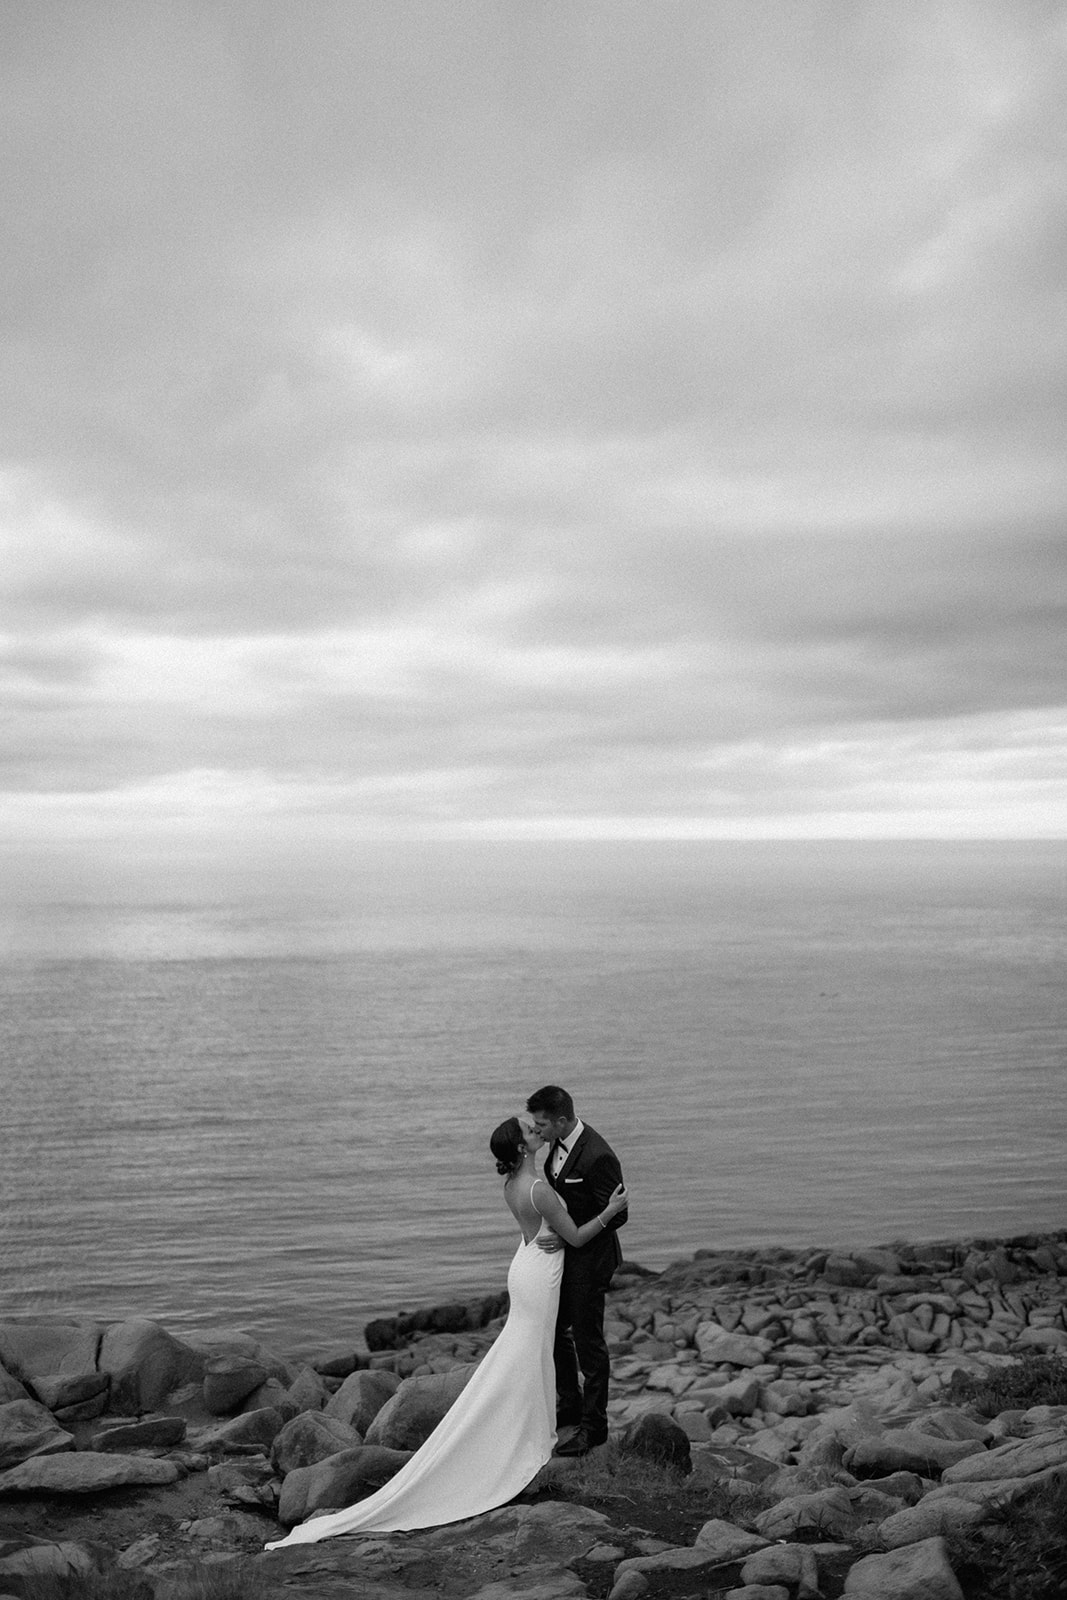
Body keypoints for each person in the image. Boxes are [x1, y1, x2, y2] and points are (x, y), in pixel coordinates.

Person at [265, 1113, 627, 1547]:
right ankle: (519, 1434)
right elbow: (578, 1237)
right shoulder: (540, 1190)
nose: (538, 1132)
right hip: (539, 1274)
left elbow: (551, 1228)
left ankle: (531, 1422)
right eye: (531, 1132)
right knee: (528, 1352)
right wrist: (609, 1212)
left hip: (527, 1265)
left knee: (525, 1351)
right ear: (519, 1149)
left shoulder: (514, 1184)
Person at [525, 1085, 627, 1457]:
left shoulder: (598, 1156)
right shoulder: (558, 1144)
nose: (537, 1131)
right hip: (567, 1258)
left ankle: (594, 1429)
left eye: (541, 1125)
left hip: (592, 1260)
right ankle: (570, 1403)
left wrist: (569, 1238)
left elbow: (621, 1213)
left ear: (562, 1120)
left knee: (589, 1343)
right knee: (553, 1328)